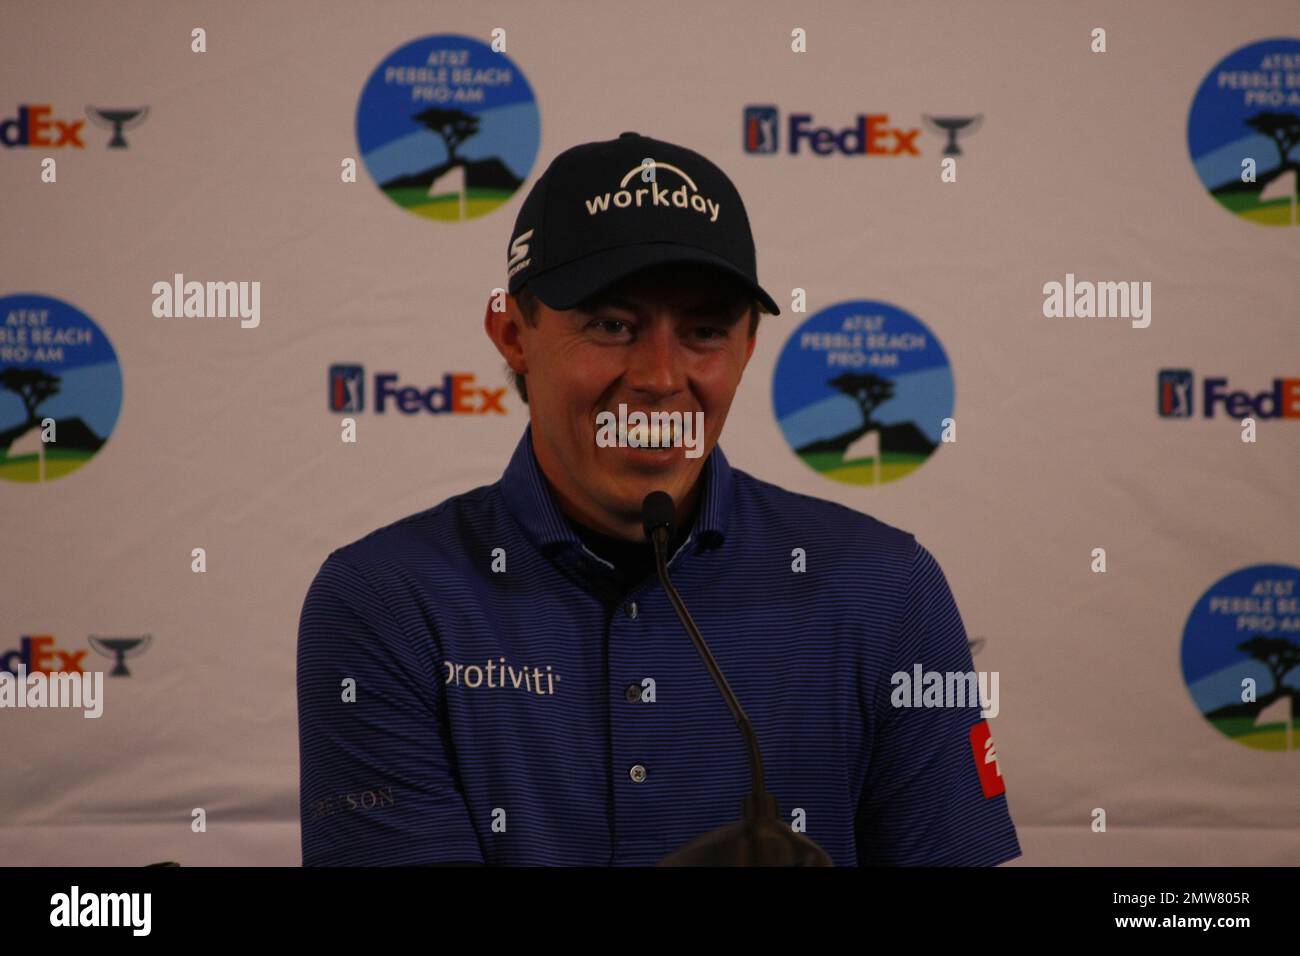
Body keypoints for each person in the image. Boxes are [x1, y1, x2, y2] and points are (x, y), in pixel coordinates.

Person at [296, 132, 1021, 866]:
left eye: (704, 330)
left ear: (748, 348)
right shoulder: (385, 600)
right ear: (513, 334)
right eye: (612, 325)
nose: (660, 376)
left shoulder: (887, 588)